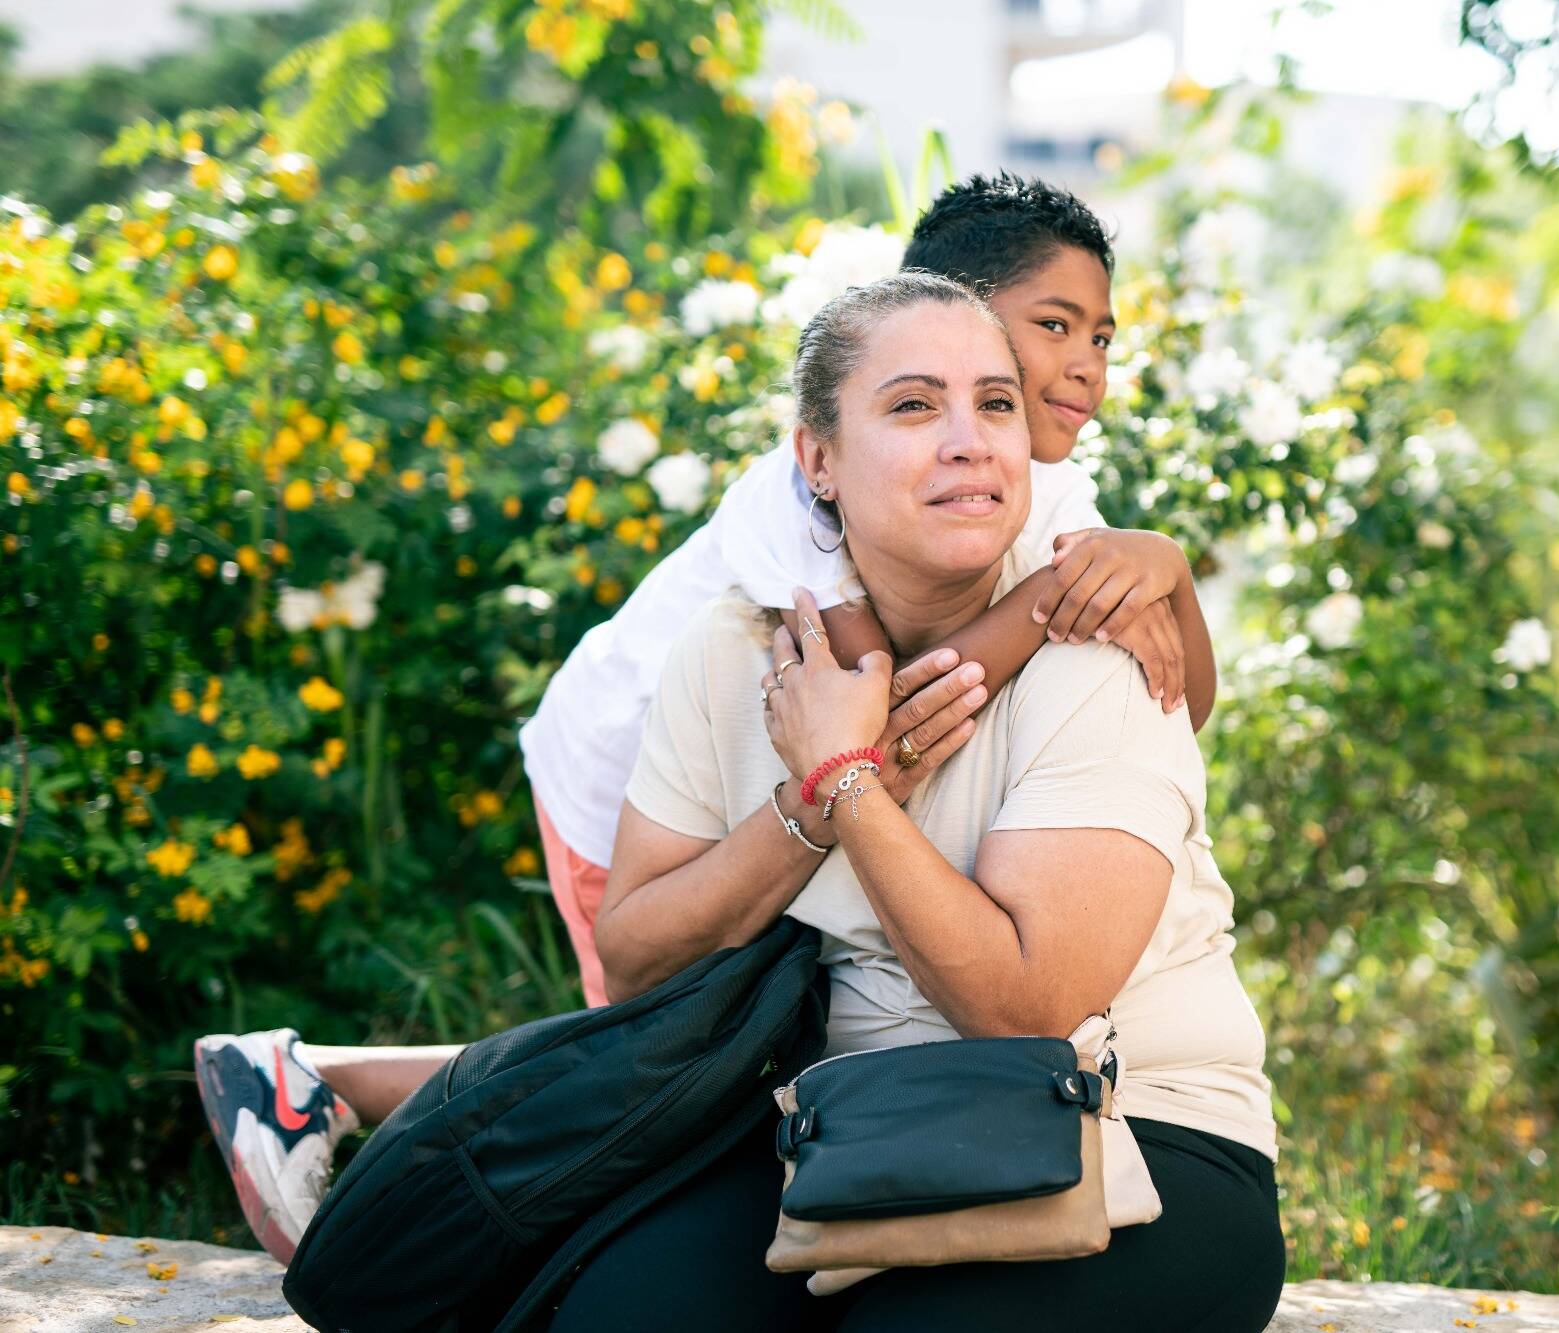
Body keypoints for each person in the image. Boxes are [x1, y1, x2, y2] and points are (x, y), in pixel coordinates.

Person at [192, 174, 1222, 1266]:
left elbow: (1178, 705)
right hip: (619, 779)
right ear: (932, 310)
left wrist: (1166, 580)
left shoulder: (1030, 492)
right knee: (667, 1061)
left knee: (703, 1044)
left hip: (754, 780)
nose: (1080, 368)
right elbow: (873, 697)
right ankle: (353, 1106)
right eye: (1050, 327)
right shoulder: (802, 506)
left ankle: (344, 1089)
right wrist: (1031, 625)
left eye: (1100, 337)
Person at [552, 272, 1281, 1330]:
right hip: (840, 1129)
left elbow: (1024, 1009)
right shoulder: (739, 645)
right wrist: (802, 807)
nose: (969, 439)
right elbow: (633, 959)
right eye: (910, 405)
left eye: (994, 403)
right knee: (612, 1315)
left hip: (1128, 1130)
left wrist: (848, 785)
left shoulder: (1098, 638)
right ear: (818, 459)